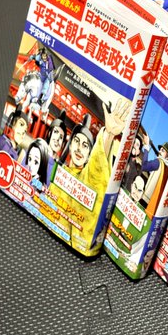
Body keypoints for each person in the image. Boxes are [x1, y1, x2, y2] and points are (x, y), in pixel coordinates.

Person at [48, 98, 131, 255]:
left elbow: (96, 171)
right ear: (70, 144)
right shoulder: (59, 171)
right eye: (76, 141)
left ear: (89, 155)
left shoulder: (86, 177)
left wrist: (109, 135)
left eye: (85, 145)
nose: (79, 148)